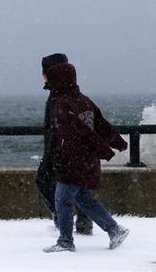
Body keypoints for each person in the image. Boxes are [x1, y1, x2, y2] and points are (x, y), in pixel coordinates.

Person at [42, 60, 129, 253]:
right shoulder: (84, 100)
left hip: (71, 161)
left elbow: (82, 131)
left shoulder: (64, 103)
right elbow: (101, 124)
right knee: (84, 199)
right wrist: (118, 141)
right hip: (86, 161)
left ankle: (65, 241)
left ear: (60, 80)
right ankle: (115, 230)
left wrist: (107, 149)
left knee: (62, 200)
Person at [36, 53, 93, 235]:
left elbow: (57, 127)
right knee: (76, 187)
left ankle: (67, 220)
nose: (42, 75)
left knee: (47, 179)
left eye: (44, 71)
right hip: (69, 149)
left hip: (63, 150)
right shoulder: (63, 93)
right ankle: (81, 221)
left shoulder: (60, 96)